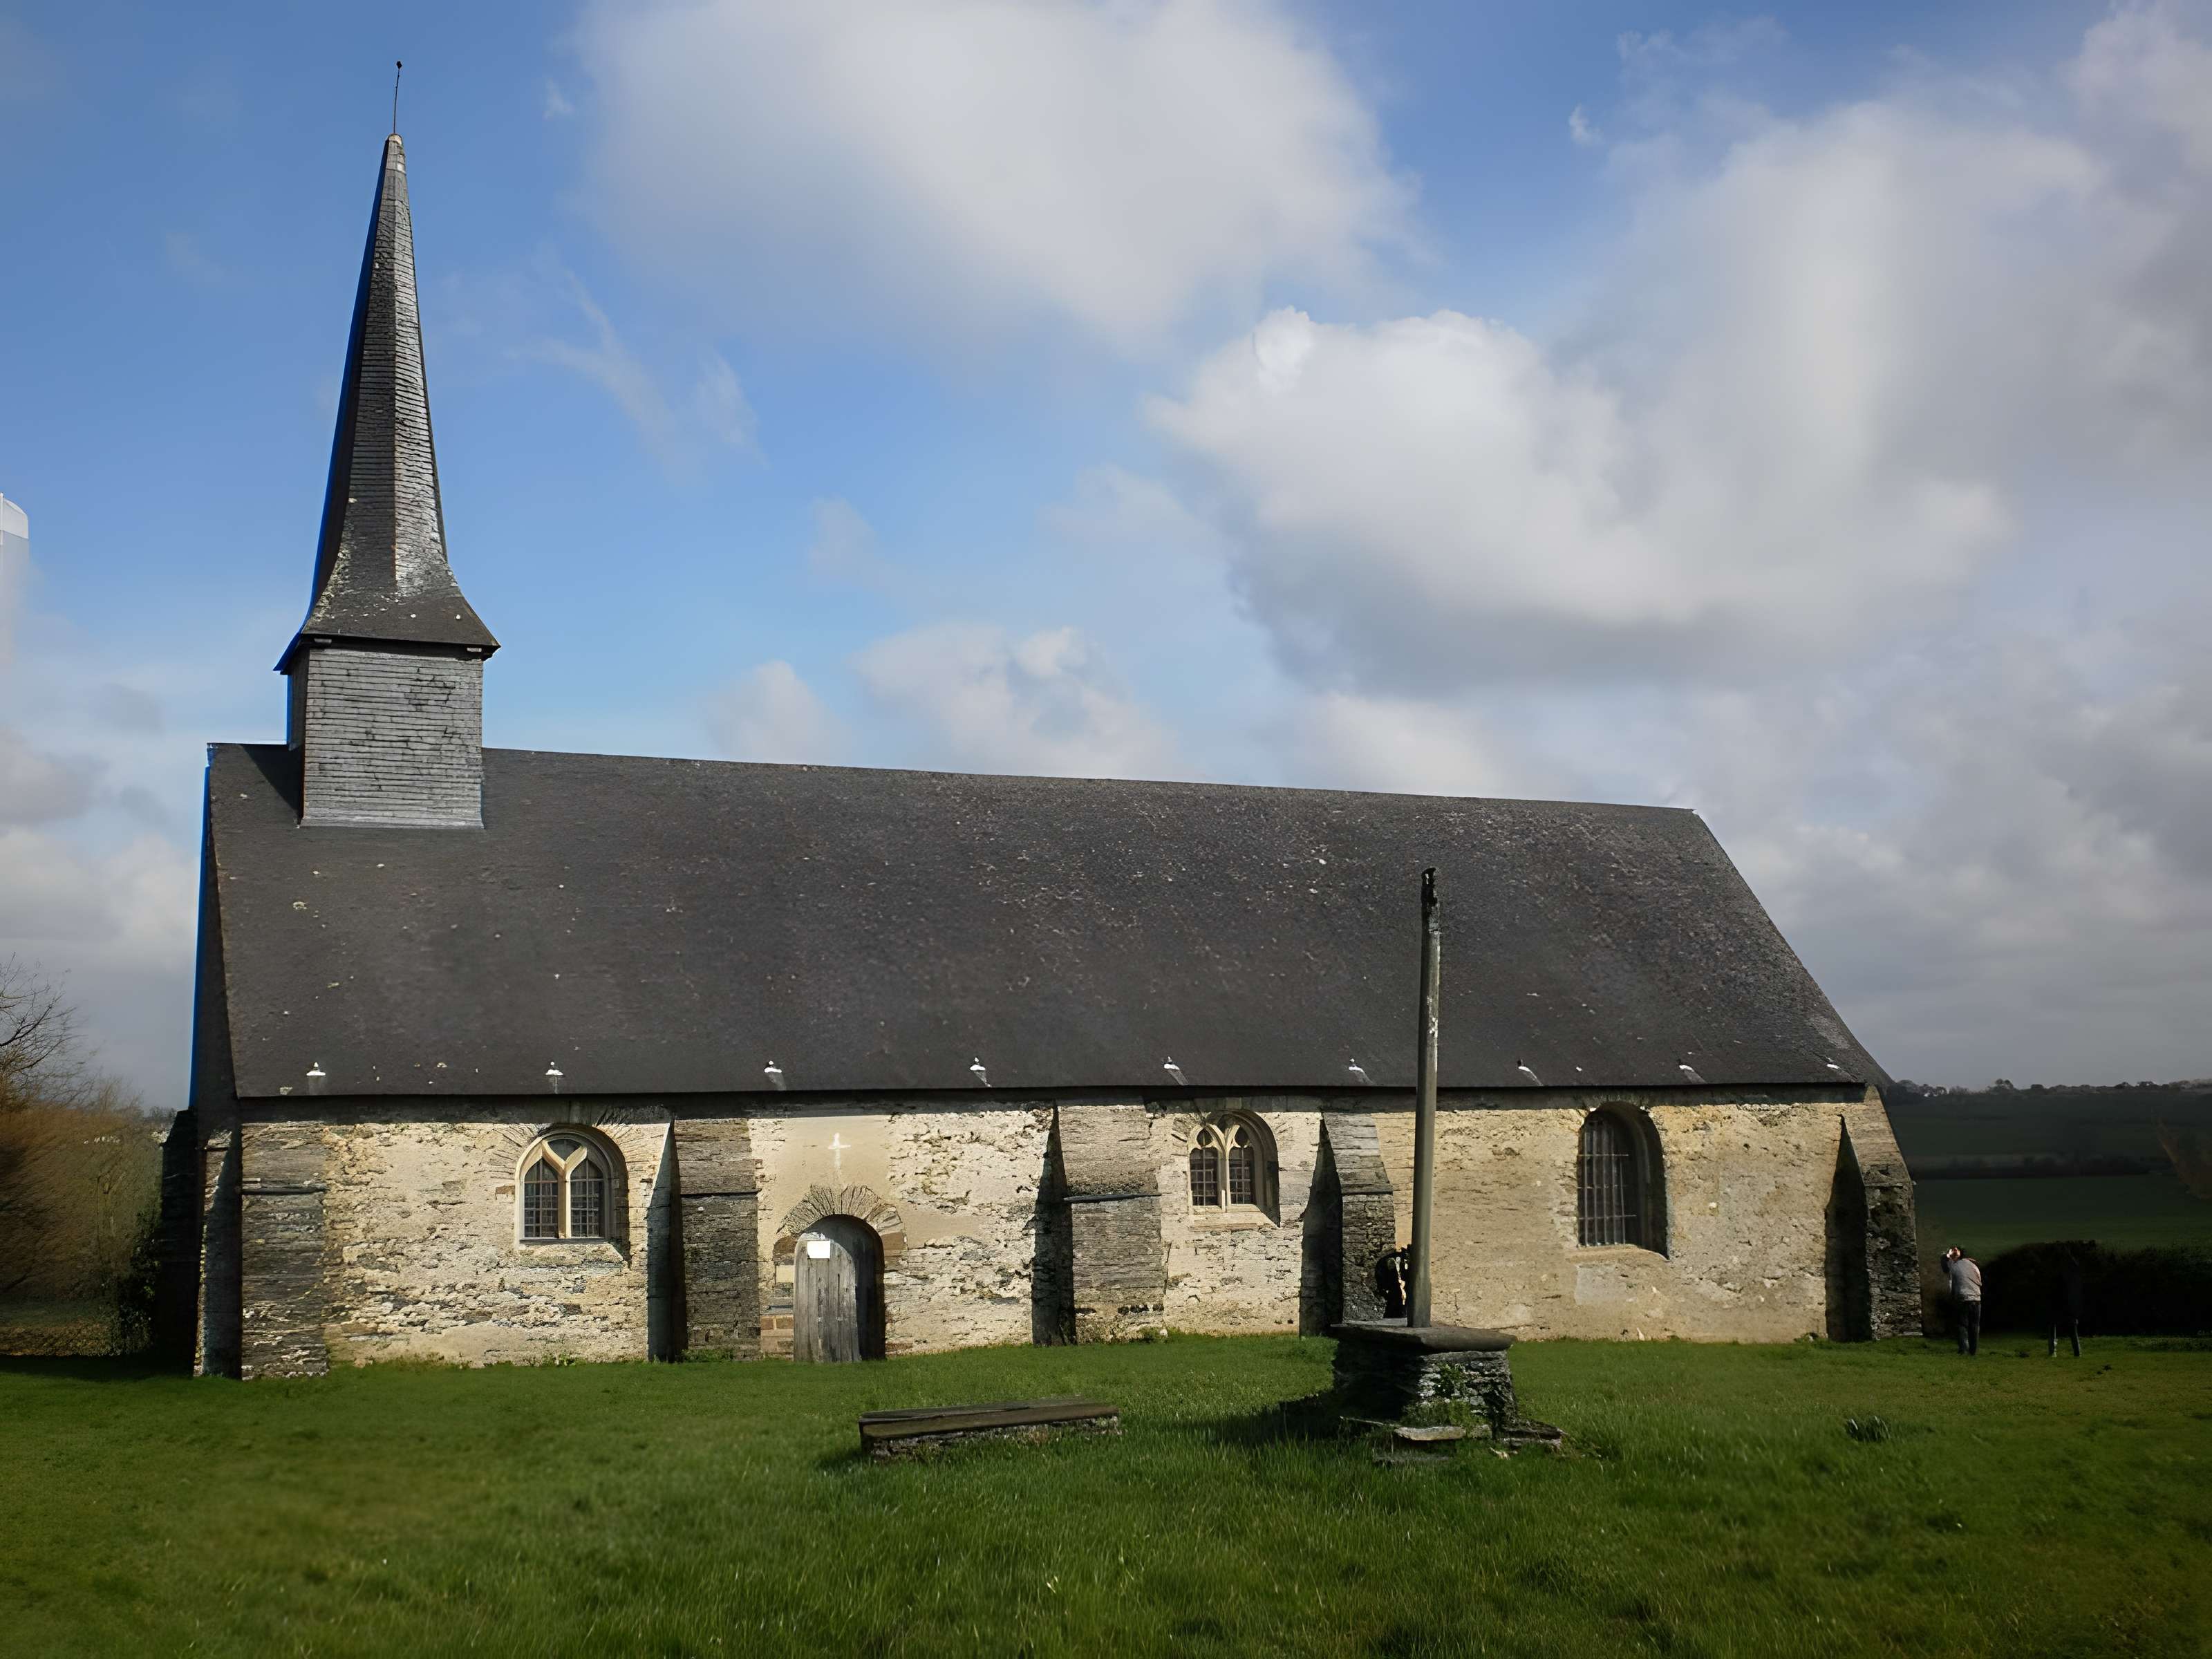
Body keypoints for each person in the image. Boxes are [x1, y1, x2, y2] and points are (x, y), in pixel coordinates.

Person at [1944, 1246, 1983, 1356]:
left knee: (1962, 1324)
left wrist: (1953, 1297)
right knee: (1975, 1325)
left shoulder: (1954, 1265)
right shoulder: (1973, 1265)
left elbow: (1952, 1285)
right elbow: (1980, 1282)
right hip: (1976, 1297)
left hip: (1963, 1297)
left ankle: (1964, 1350)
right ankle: (1973, 1352)